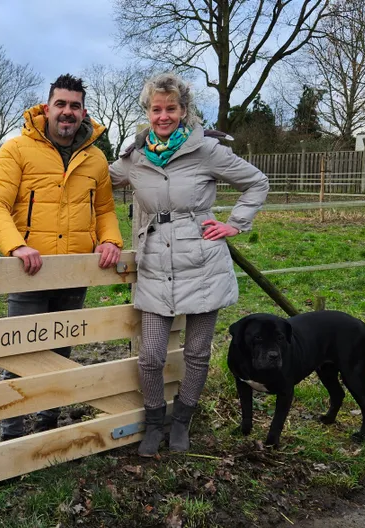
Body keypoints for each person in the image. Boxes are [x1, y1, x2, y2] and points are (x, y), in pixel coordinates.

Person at [109, 73, 268, 457]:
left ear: (183, 111)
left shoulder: (206, 151)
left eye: (171, 108)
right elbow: (95, 182)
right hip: (154, 264)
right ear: (147, 112)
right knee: (150, 355)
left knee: (197, 352)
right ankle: (154, 420)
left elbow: (256, 182)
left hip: (202, 263)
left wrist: (234, 223)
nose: (163, 116)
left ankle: (182, 420)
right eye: (156, 109)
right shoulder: (135, 158)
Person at [0, 74, 124, 440]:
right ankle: (11, 432)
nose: (67, 112)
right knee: (18, 352)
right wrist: (16, 246)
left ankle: (48, 424)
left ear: (83, 111)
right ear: (47, 108)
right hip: (29, 270)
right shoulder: (16, 150)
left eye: (75, 106)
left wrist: (110, 240)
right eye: (61, 104)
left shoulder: (95, 159)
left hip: (75, 271)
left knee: (60, 350)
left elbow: (105, 209)